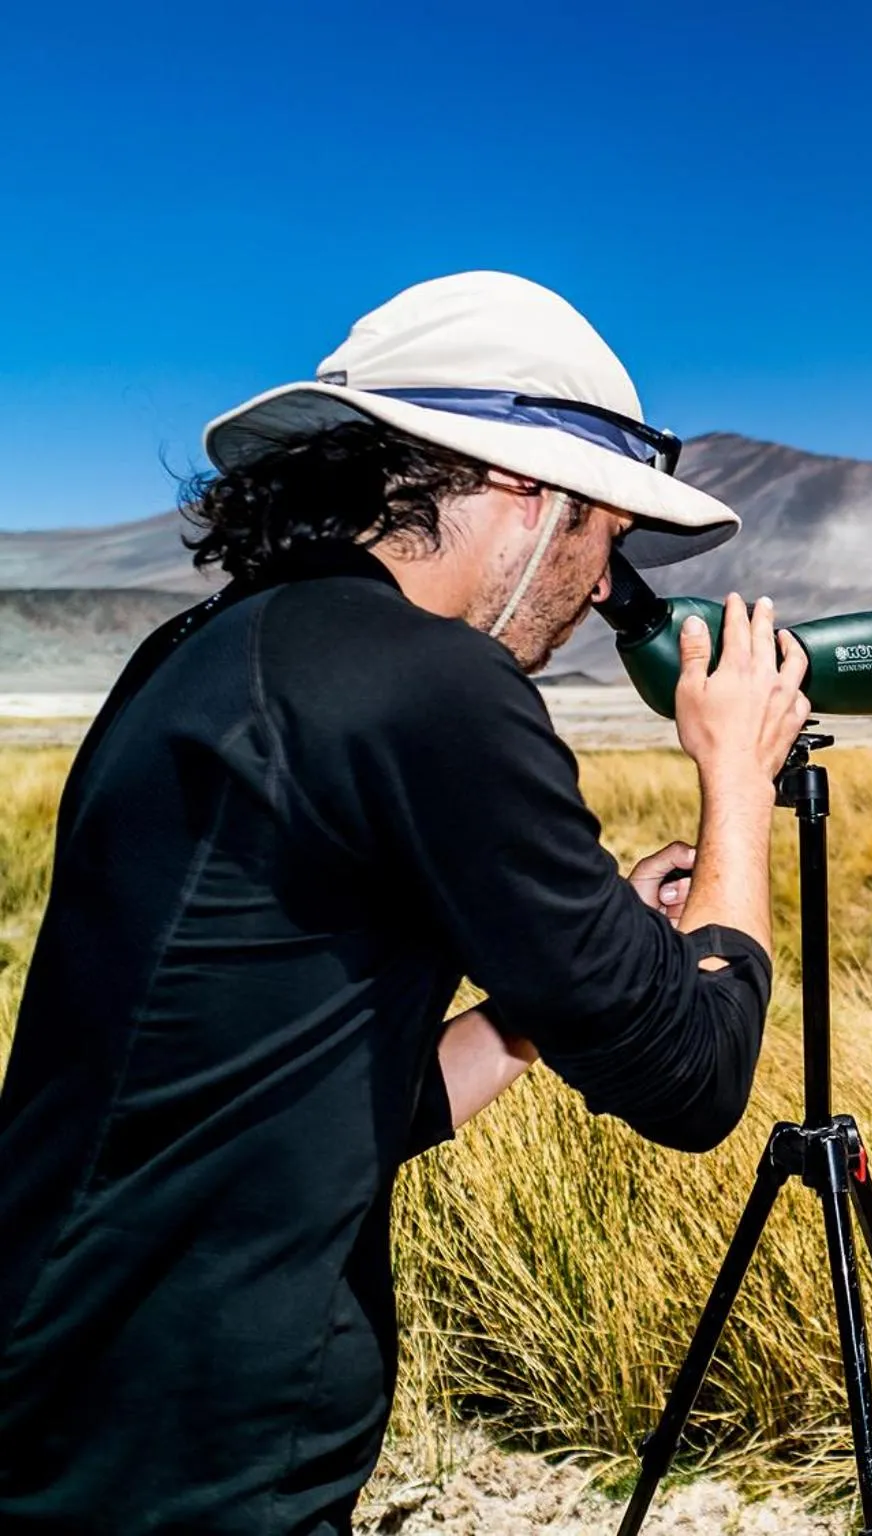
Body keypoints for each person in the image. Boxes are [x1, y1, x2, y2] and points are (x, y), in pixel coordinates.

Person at [0, 272, 810, 1533]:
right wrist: (738, 784)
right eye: (606, 535)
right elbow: (695, 1082)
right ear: (527, 487)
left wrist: (555, 982)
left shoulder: (209, 649)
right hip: (198, 1457)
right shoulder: (432, 684)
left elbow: (302, 1096)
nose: (606, 589)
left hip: (66, 1380)